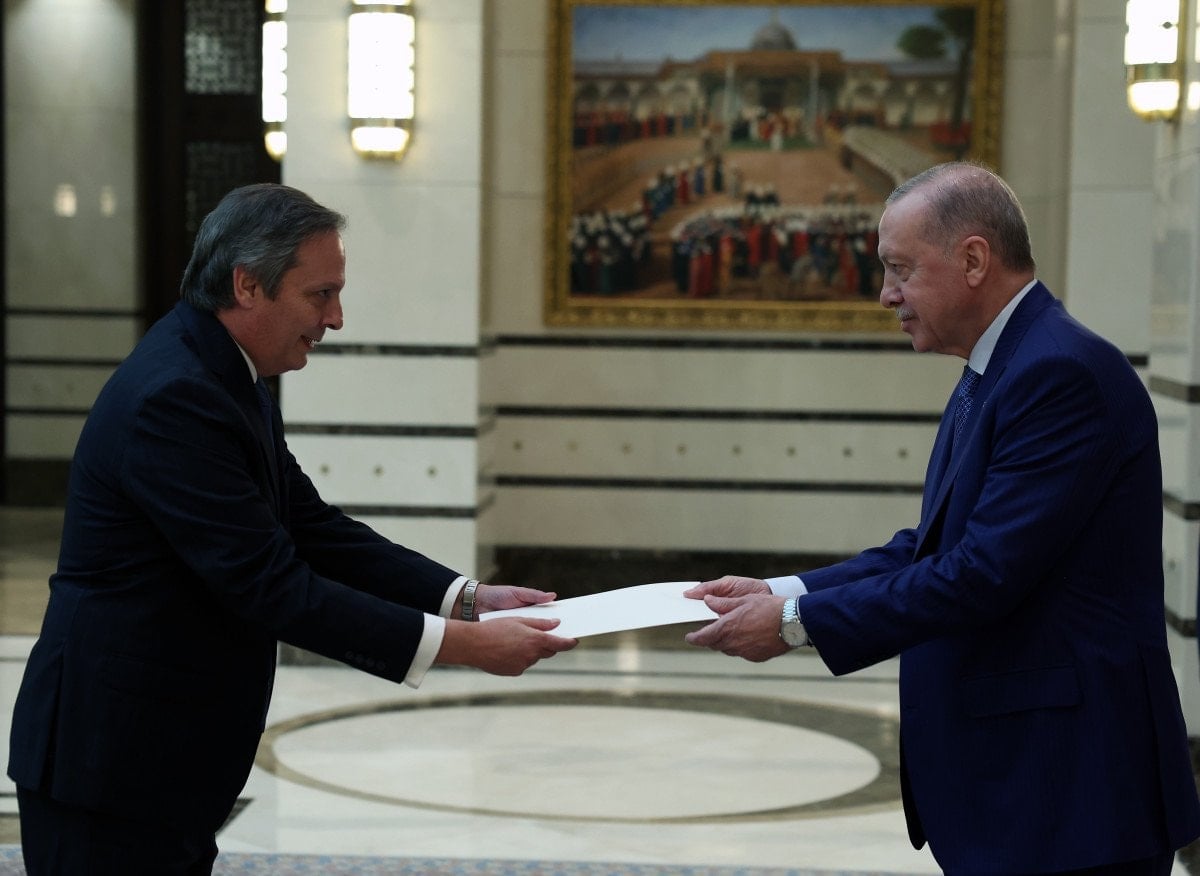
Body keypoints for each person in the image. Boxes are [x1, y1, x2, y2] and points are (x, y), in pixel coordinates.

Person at [7, 183, 577, 875]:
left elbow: (312, 527)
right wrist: (465, 647)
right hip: (107, 762)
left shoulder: (226, 374)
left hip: (158, 760)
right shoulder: (176, 396)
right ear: (248, 284)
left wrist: (467, 600)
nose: (335, 317)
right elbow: (271, 586)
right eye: (320, 295)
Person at [683, 162, 1200, 874]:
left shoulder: (1058, 373)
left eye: (900, 269)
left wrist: (797, 624)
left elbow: (981, 574)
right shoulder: (1002, 365)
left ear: (974, 260)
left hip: (1070, 792)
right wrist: (784, 592)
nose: (886, 294)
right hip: (1024, 788)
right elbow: (931, 547)